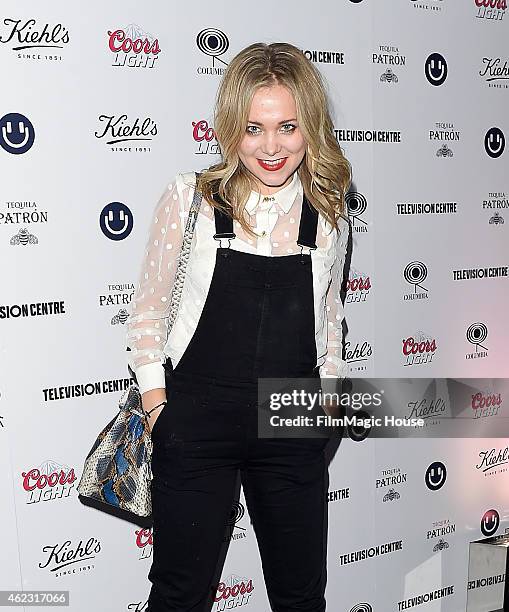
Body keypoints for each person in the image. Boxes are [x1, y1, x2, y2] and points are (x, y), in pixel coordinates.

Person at [125, 41, 351, 612]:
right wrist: (160, 409)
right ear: (231, 128)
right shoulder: (192, 198)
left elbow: (329, 322)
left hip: (293, 417)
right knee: (179, 596)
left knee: (302, 598)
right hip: (198, 419)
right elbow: (148, 311)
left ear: (310, 127)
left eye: (287, 127)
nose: (271, 147)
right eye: (254, 128)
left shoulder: (328, 210)